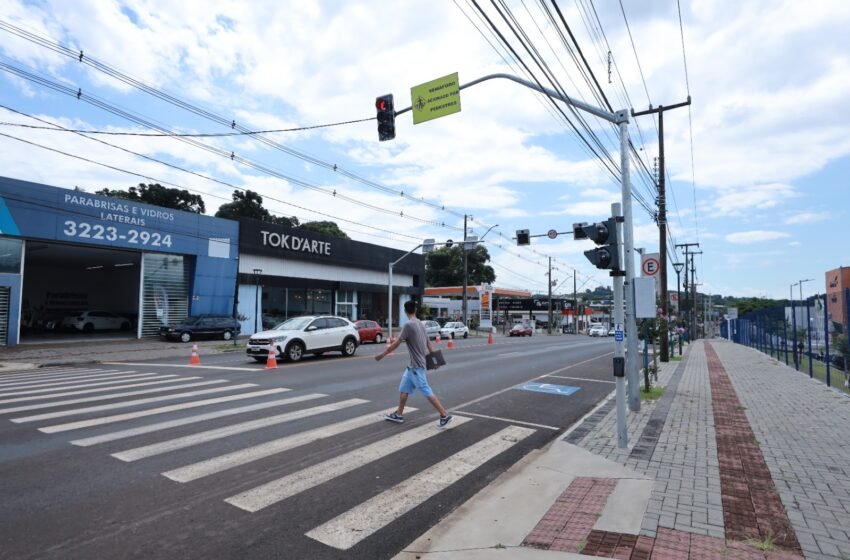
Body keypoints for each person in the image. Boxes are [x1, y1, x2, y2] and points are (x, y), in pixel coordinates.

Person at [375, 300, 454, 429]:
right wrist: (435, 359)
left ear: (405, 311)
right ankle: (399, 414)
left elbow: (396, 343)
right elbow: (428, 342)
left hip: (417, 366)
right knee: (404, 389)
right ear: (415, 310)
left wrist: (382, 354)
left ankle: (444, 416)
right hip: (412, 366)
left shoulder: (408, 325)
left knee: (425, 390)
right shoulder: (421, 324)